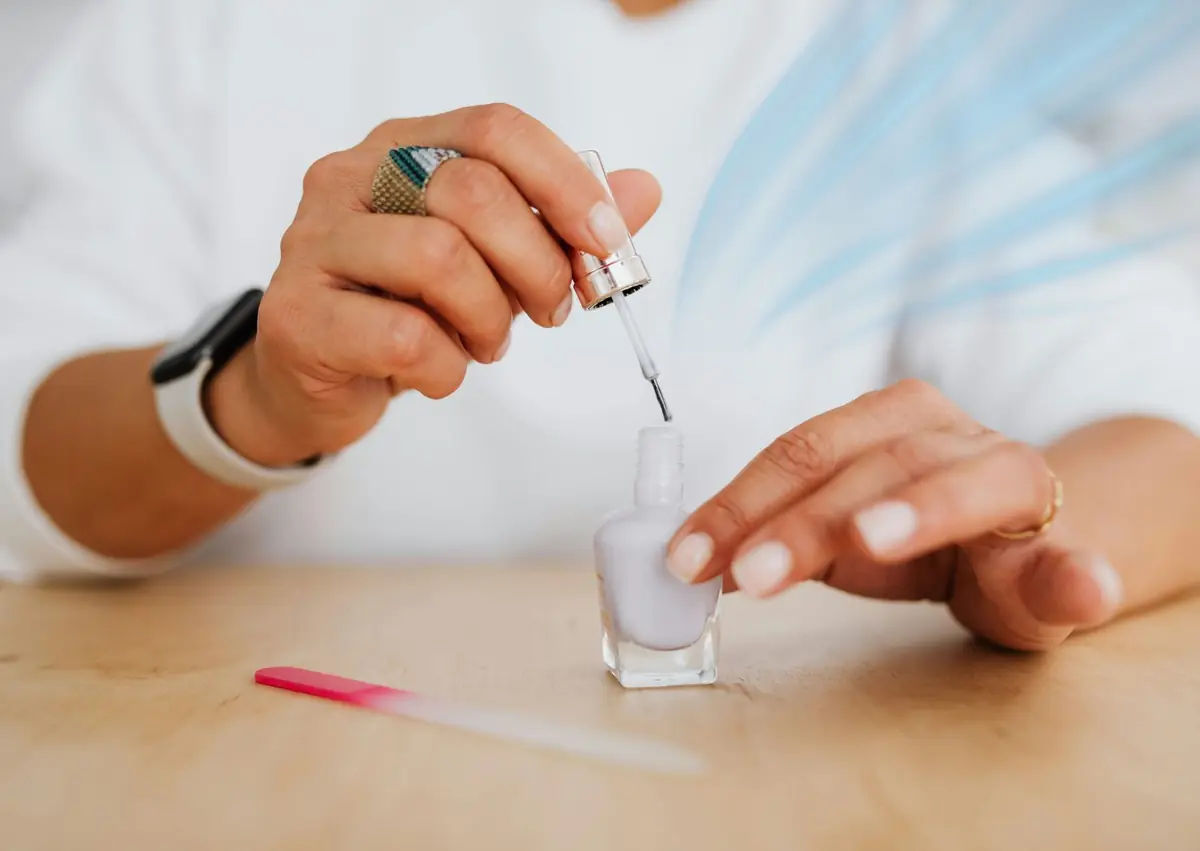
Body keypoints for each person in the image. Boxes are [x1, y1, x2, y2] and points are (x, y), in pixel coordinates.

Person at [1, 0, 1199, 654]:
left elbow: (1166, 409)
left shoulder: (895, 47)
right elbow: (23, 431)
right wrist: (255, 395)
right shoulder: (205, 27)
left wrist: (1031, 541)